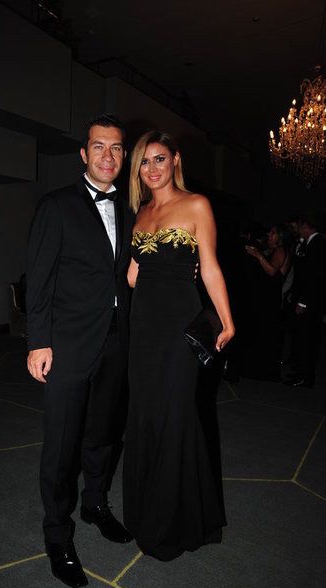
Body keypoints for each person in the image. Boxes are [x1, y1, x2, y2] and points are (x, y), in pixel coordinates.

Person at [26, 114, 134, 588]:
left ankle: (95, 504)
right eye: (99, 147)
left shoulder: (131, 209)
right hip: (67, 343)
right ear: (83, 153)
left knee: (104, 434)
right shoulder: (56, 205)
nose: (107, 156)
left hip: (116, 341)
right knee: (61, 444)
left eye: (116, 148)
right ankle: (57, 534)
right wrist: (38, 341)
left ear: (123, 155)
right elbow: (39, 278)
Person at [123, 130, 235, 561]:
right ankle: (146, 510)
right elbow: (133, 275)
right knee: (145, 415)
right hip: (143, 328)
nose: (152, 168)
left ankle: (172, 523)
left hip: (177, 327)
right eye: (144, 162)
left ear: (175, 161)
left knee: (175, 414)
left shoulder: (196, 205)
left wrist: (227, 319)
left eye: (159, 159)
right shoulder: (141, 212)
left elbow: (210, 268)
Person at [245, 222, 293, 380]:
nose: (269, 235)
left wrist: (258, 256)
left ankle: (263, 371)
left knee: (265, 333)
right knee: (264, 333)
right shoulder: (276, 250)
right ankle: (261, 369)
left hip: (270, 300)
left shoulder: (281, 250)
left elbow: (272, 271)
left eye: (273, 232)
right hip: (268, 298)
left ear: (280, 236)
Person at [285, 212, 326, 387]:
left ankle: (305, 376)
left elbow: (314, 278)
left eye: (301, 226)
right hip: (309, 300)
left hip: (311, 303)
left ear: (307, 226)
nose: (299, 230)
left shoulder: (316, 245)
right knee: (305, 338)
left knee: (308, 339)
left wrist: (303, 302)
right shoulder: (311, 244)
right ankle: (302, 372)